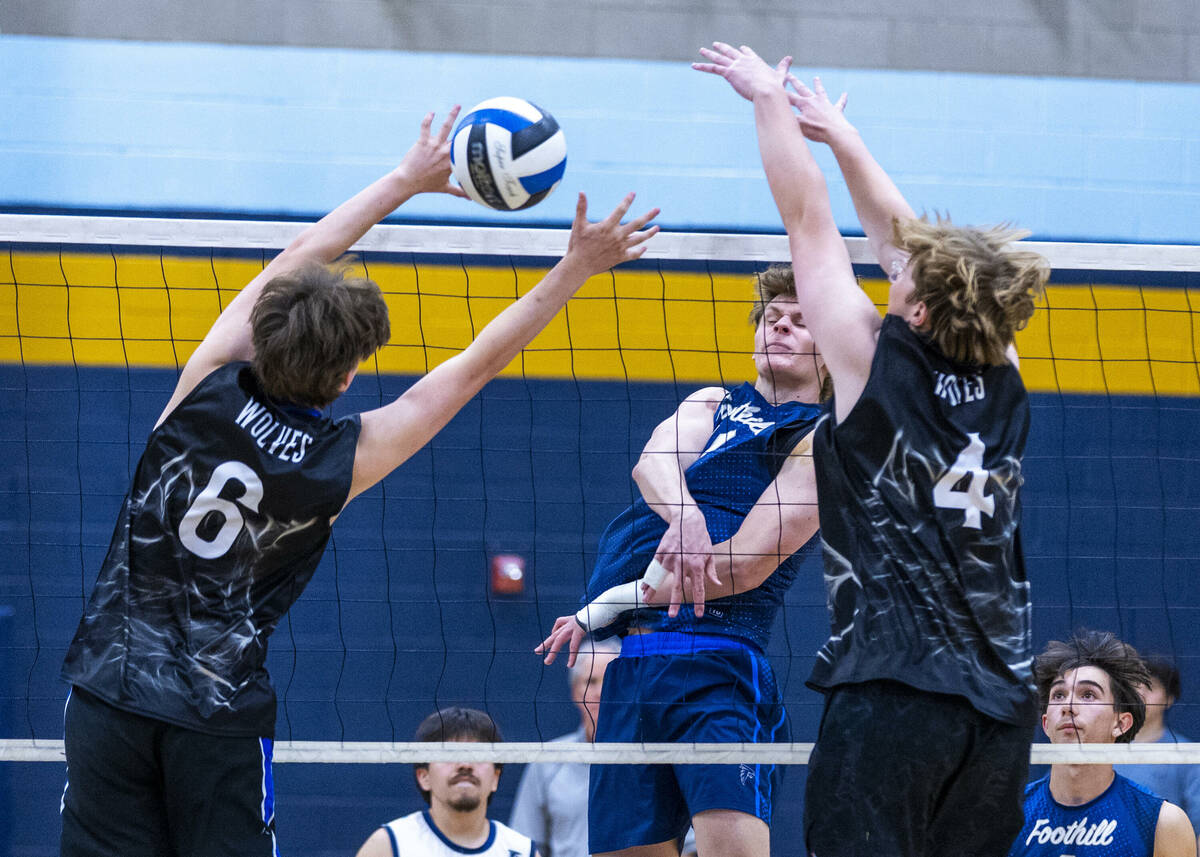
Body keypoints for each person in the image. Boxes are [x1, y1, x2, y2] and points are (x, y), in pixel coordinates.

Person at [57, 105, 660, 857]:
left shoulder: (203, 384)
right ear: (346, 378)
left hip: (108, 690)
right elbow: (472, 369)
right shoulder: (339, 459)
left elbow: (305, 252)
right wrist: (574, 268)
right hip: (217, 714)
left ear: (267, 329)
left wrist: (405, 179)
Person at [693, 43, 1050, 856]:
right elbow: (909, 241)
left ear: (920, 312)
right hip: (999, 706)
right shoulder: (1006, 376)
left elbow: (807, 216)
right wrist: (846, 139)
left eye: (909, 277)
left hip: (895, 686)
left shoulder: (866, 364)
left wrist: (767, 102)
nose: (898, 269)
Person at [539, 263, 829, 857]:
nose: (781, 329)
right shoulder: (716, 401)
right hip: (633, 664)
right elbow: (652, 465)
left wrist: (612, 602)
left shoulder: (822, 436)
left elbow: (745, 564)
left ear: (830, 351)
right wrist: (686, 518)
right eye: (772, 319)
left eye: (801, 323)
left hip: (718, 661)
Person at [1008, 631, 1196, 857]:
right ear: (1046, 723)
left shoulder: (1162, 823)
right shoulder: (1007, 815)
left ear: (1121, 723)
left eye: (1088, 695)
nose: (1068, 705)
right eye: (1058, 695)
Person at [355, 707, 539, 857]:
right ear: (423, 776)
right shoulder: (388, 844)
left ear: (495, 778)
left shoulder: (521, 850)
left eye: (479, 755)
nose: (465, 765)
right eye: (450, 754)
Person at [509, 638, 620, 857]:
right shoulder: (548, 760)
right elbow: (524, 846)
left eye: (611, 681)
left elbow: (689, 847)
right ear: (576, 691)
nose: (600, 692)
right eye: (591, 681)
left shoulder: (653, 758)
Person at [1115, 656, 1200, 852]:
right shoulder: (1099, 750)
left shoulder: (1187, 756)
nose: (1140, 693)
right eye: (1134, 685)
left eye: (1150, 686)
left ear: (1169, 699)